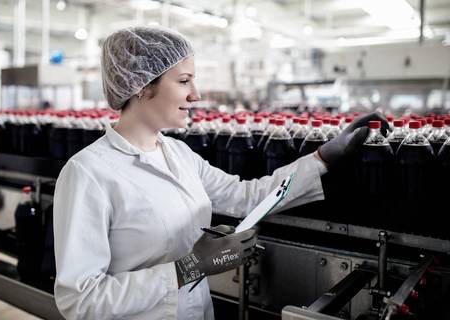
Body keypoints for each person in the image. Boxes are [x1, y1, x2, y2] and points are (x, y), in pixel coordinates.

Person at [53, 26, 388, 320]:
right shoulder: (89, 173)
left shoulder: (178, 154)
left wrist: (321, 158)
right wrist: (189, 267)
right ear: (141, 86)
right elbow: (80, 300)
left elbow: (247, 197)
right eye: (184, 81)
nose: (196, 95)